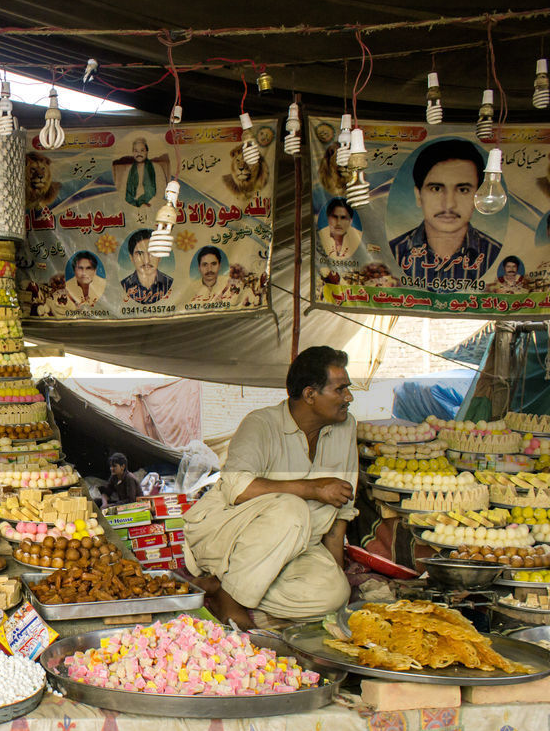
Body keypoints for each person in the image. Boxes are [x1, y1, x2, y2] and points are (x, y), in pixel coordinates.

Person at [183, 346, 355, 628]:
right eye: (340, 390)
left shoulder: (345, 429)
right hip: (228, 535)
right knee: (291, 507)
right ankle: (230, 598)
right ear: (310, 394)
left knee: (334, 596)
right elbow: (237, 489)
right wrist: (313, 489)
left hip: (293, 548)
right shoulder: (260, 424)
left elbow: (340, 514)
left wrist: (332, 572)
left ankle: (224, 582)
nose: (348, 397)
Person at [388, 139, 502, 287]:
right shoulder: (393, 253)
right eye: (436, 188)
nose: (449, 204)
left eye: (463, 190)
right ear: (418, 196)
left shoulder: (495, 255)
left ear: (479, 195)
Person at [112, 137, 169, 208]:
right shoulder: (128, 170)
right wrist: (132, 205)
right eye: (136, 151)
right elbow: (123, 191)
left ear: (147, 152)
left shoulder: (156, 167)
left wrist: (149, 204)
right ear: (133, 153)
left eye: (142, 150)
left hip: (152, 203)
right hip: (132, 203)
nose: (139, 154)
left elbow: (161, 190)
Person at [120, 229, 173, 305]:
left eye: (152, 253)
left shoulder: (169, 283)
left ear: (160, 256)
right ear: (131, 258)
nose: (146, 261)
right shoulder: (124, 285)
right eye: (140, 253)